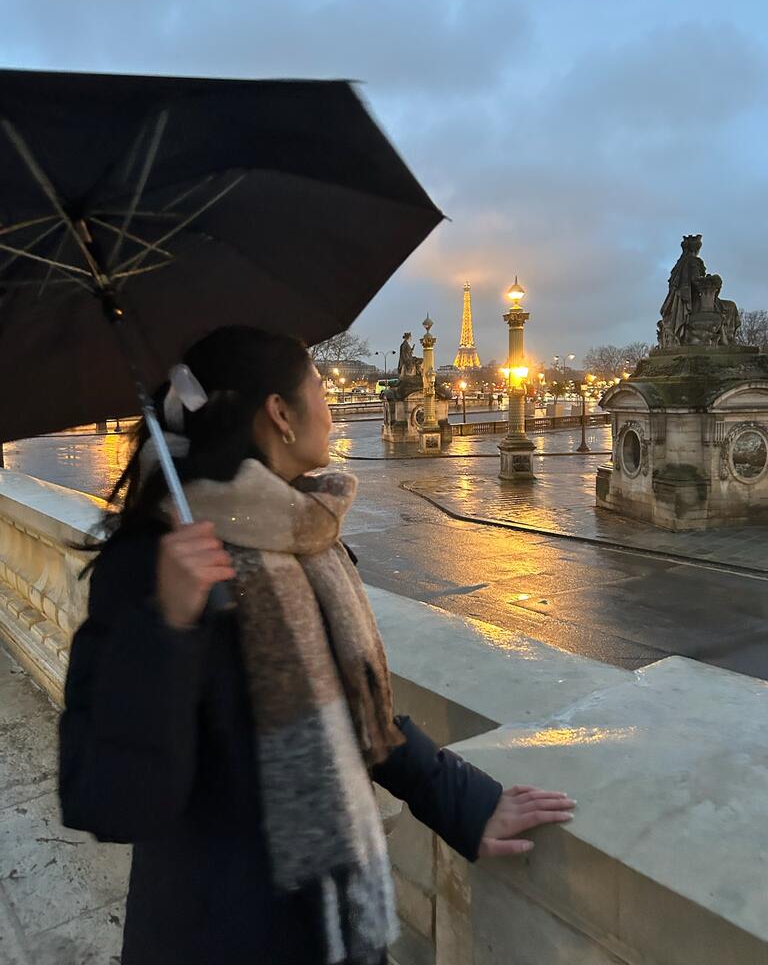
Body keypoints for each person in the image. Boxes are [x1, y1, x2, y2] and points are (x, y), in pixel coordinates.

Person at [59, 326, 575, 965]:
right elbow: (109, 801)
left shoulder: (308, 539)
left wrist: (463, 801)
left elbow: (356, 714)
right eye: (320, 388)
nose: (331, 409)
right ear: (279, 414)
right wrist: (165, 628)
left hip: (337, 925)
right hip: (220, 935)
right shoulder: (148, 565)